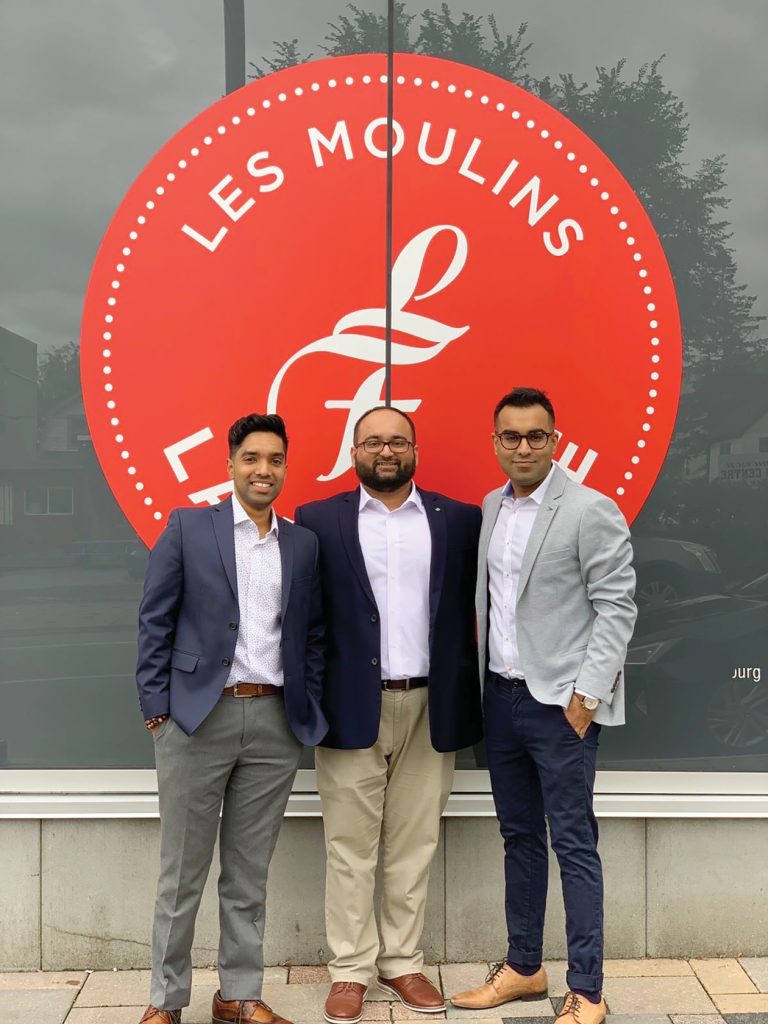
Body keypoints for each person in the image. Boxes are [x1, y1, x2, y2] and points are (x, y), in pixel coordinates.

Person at [450, 388, 636, 1024]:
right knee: (519, 838)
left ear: (554, 441)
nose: (523, 447)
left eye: (536, 436)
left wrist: (586, 697)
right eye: (511, 436)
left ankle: (588, 990)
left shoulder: (590, 509)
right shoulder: (491, 507)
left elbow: (617, 606)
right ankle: (525, 969)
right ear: (495, 441)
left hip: (561, 708)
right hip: (500, 701)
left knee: (574, 844)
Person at [136, 413, 326, 1024]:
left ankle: (238, 995)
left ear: (285, 468)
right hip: (196, 719)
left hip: (274, 723)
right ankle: (165, 1002)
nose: (263, 470)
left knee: (248, 874)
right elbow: (154, 619)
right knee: (181, 875)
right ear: (230, 464)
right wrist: (156, 708)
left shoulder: (302, 543)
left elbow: (313, 633)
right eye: (251, 458)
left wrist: (307, 703)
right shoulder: (190, 527)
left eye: (274, 459)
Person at [295, 406, 482, 1024]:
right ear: (354, 451)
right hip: (351, 706)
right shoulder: (318, 520)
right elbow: (308, 622)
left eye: (396, 441)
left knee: (414, 840)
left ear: (415, 449)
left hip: (433, 701)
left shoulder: (458, 520)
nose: (385, 450)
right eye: (372, 441)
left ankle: (401, 962)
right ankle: (350, 970)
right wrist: (314, 698)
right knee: (349, 846)